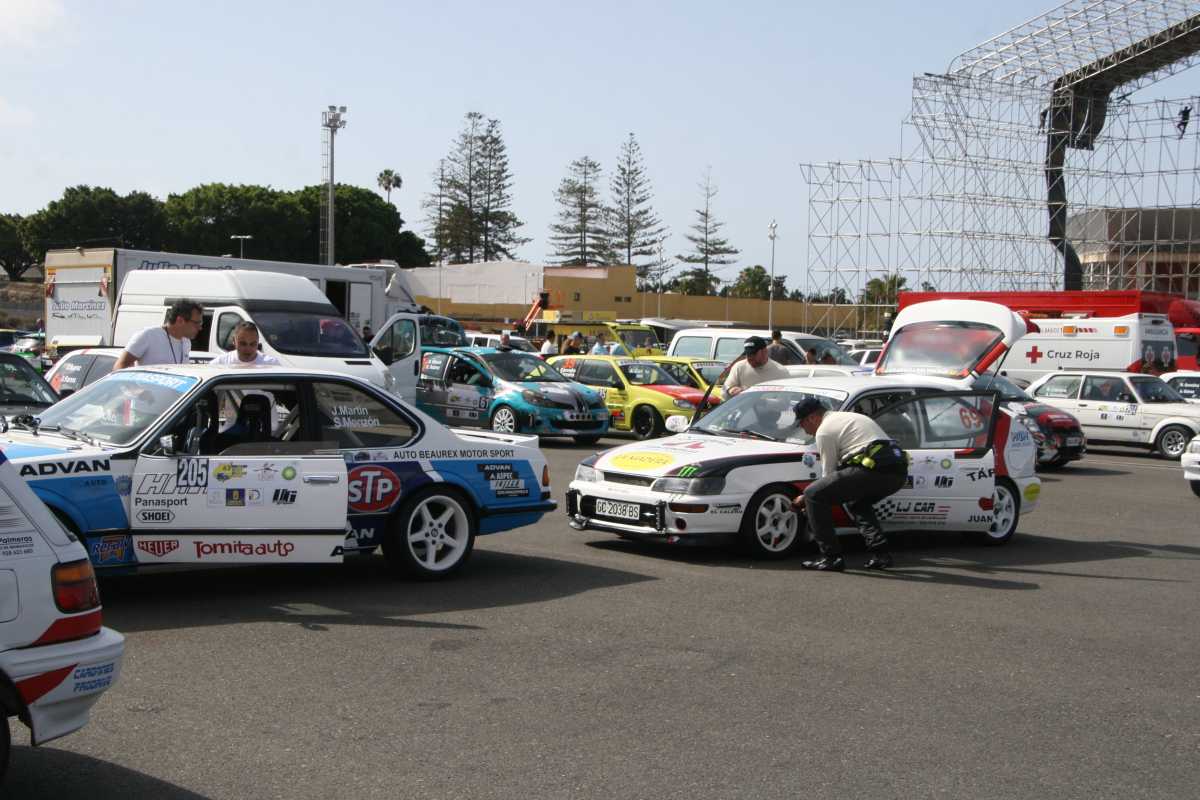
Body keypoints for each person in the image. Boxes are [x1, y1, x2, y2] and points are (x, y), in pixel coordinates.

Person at [792, 398, 908, 571]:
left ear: (812, 418)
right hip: (898, 473)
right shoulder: (851, 417)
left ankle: (831, 557)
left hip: (872, 469)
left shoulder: (824, 430)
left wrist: (805, 499)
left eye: (802, 424)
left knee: (813, 495)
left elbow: (827, 477)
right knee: (858, 504)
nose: (803, 430)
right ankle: (881, 554)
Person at [114, 299, 203, 369]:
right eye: (196, 323)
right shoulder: (148, 336)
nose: (200, 328)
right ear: (180, 320)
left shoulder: (186, 342)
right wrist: (137, 386)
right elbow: (120, 366)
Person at [723, 336, 790, 396]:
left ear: (764, 351)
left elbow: (785, 400)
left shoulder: (781, 372)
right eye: (747, 354)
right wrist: (731, 390)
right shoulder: (739, 367)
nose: (749, 357)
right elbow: (726, 388)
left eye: (753, 354)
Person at [211, 321, 280, 367]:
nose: (248, 349)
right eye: (243, 344)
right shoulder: (221, 363)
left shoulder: (271, 364)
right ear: (234, 341)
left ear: (258, 342)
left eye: (252, 344)